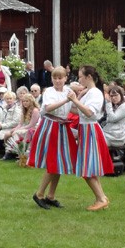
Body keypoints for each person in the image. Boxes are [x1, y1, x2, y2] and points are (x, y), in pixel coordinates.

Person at [64, 65, 114, 211]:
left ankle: (101, 199)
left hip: (91, 130)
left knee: (86, 168)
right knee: (87, 167)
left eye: (80, 76)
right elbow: (78, 111)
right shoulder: (88, 93)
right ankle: (101, 197)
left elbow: (89, 113)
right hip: (85, 129)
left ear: (89, 77)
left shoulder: (95, 93)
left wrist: (75, 99)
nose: (79, 80)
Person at [29, 65, 72, 208]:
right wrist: (66, 100)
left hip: (62, 126)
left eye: (60, 78)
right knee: (53, 161)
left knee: (59, 162)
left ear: (65, 78)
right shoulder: (49, 91)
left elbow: (72, 107)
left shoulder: (68, 91)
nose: (57, 81)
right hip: (51, 125)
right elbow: (48, 108)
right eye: (55, 78)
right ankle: (39, 194)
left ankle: (51, 195)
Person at [5, 91, 41, 159]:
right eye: (23, 101)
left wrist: (18, 129)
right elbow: (20, 124)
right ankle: (8, 151)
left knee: (16, 133)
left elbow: (31, 125)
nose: (25, 103)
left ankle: (18, 152)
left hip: (32, 129)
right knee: (7, 134)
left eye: (27, 101)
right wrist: (15, 129)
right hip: (24, 127)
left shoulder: (35, 110)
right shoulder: (24, 110)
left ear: (31, 101)